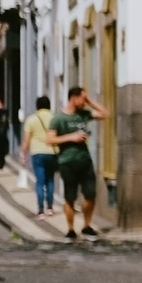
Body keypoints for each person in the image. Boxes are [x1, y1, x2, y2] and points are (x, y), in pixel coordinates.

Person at [50, 85, 109, 239]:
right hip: (67, 161)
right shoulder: (59, 118)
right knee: (70, 197)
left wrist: (90, 101)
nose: (84, 102)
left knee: (90, 194)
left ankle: (86, 226)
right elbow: (49, 139)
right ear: (73, 98)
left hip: (85, 160)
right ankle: (70, 229)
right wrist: (71, 137)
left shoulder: (83, 114)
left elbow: (105, 114)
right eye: (82, 99)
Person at [20, 94, 60, 217]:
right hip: (52, 152)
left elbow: (26, 140)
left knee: (40, 182)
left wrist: (23, 154)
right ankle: (50, 208)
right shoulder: (55, 118)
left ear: (37, 106)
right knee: (50, 181)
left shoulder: (31, 119)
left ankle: (41, 210)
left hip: (37, 153)